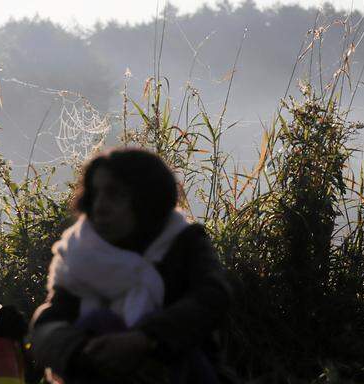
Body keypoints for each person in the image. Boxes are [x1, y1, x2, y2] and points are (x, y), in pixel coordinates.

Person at [29, 147, 232, 383]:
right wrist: (87, 353)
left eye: (115, 195)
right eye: (95, 194)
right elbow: (48, 324)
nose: (100, 207)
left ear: (147, 200)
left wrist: (145, 339)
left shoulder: (184, 243)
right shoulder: (80, 253)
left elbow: (213, 296)